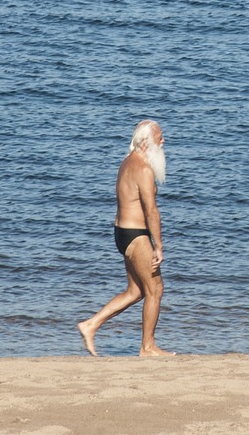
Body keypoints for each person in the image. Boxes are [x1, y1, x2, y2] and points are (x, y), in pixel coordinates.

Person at [77, 119, 175, 357]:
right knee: (155, 289)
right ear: (145, 142)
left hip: (122, 233)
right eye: (159, 137)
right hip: (136, 235)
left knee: (135, 291)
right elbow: (151, 210)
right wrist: (158, 246)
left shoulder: (126, 163)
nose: (163, 140)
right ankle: (148, 347)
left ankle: (90, 325)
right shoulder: (143, 169)